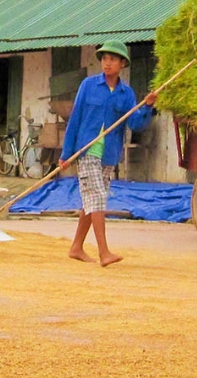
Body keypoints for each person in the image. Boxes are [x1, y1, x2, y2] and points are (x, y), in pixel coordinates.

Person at [60, 40, 157, 265]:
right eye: (104, 58)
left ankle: (76, 247)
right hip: (86, 151)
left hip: (109, 155)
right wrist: (66, 153)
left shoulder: (126, 94)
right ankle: (104, 252)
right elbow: (75, 119)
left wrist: (147, 107)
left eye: (112, 59)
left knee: (92, 202)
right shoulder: (88, 85)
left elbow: (135, 124)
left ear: (122, 63)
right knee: (97, 199)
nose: (107, 63)